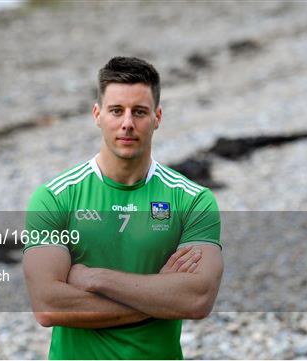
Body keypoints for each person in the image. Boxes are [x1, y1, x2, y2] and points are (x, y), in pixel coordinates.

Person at [23, 56, 223, 360]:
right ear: (97, 114)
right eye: (117, 111)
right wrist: (160, 297)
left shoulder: (193, 200)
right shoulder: (55, 197)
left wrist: (96, 279)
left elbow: (197, 299)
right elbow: (48, 305)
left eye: (139, 112)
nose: (127, 123)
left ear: (157, 117)